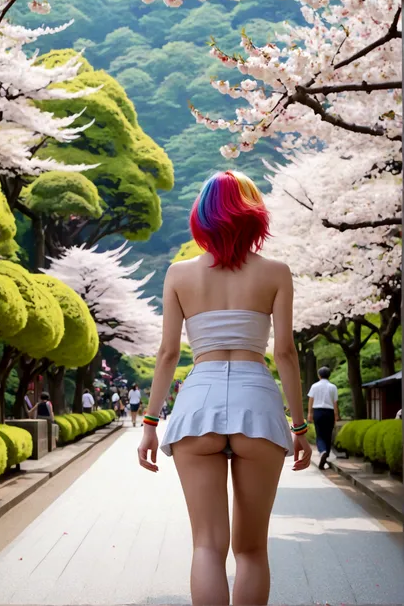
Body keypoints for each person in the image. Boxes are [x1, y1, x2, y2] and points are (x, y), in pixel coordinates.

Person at [138, 170, 311, 606]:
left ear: (203, 218)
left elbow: (167, 355)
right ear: (252, 215)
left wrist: (150, 422)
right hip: (258, 401)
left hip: (199, 402)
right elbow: (286, 354)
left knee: (206, 547)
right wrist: (300, 426)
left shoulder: (179, 275)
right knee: (251, 550)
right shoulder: (276, 273)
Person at [307, 366, 339, 470]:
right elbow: (335, 402)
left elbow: (311, 400)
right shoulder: (333, 387)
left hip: (318, 411)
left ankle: (322, 451)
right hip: (329, 412)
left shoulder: (314, 386)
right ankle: (326, 457)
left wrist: (310, 413)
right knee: (328, 434)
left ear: (319, 375)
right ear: (329, 375)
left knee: (320, 434)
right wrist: (336, 415)